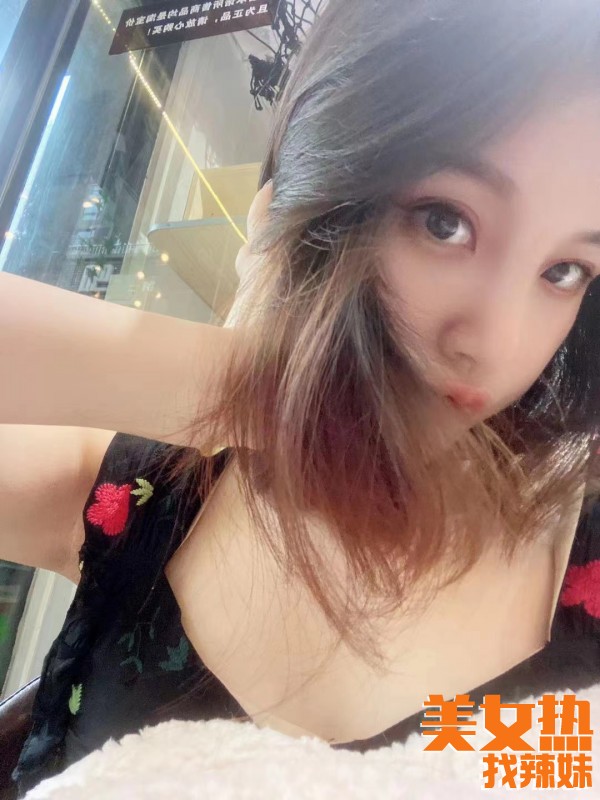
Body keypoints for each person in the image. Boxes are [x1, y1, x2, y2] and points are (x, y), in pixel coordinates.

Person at [3, 0, 600, 794]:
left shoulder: (578, 551)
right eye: (443, 222)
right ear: (308, 206)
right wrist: (235, 384)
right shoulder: (136, 498)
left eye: (565, 271)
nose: (495, 342)